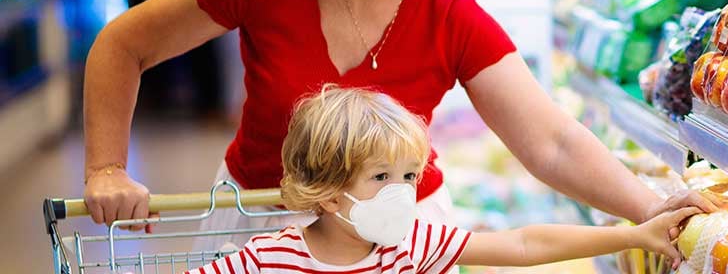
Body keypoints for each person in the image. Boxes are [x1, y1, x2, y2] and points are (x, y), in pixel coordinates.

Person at [81, 0, 718, 240]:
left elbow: (548, 140)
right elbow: (123, 44)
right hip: (262, 221)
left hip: (397, 226)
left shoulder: (449, 12)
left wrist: (648, 207)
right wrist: (105, 167)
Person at [185, 86, 700, 274]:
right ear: (325, 187)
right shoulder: (266, 260)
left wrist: (634, 233)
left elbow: (523, 243)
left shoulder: (411, 245)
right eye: (381, 177)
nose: (402, 193)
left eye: (409, 176)